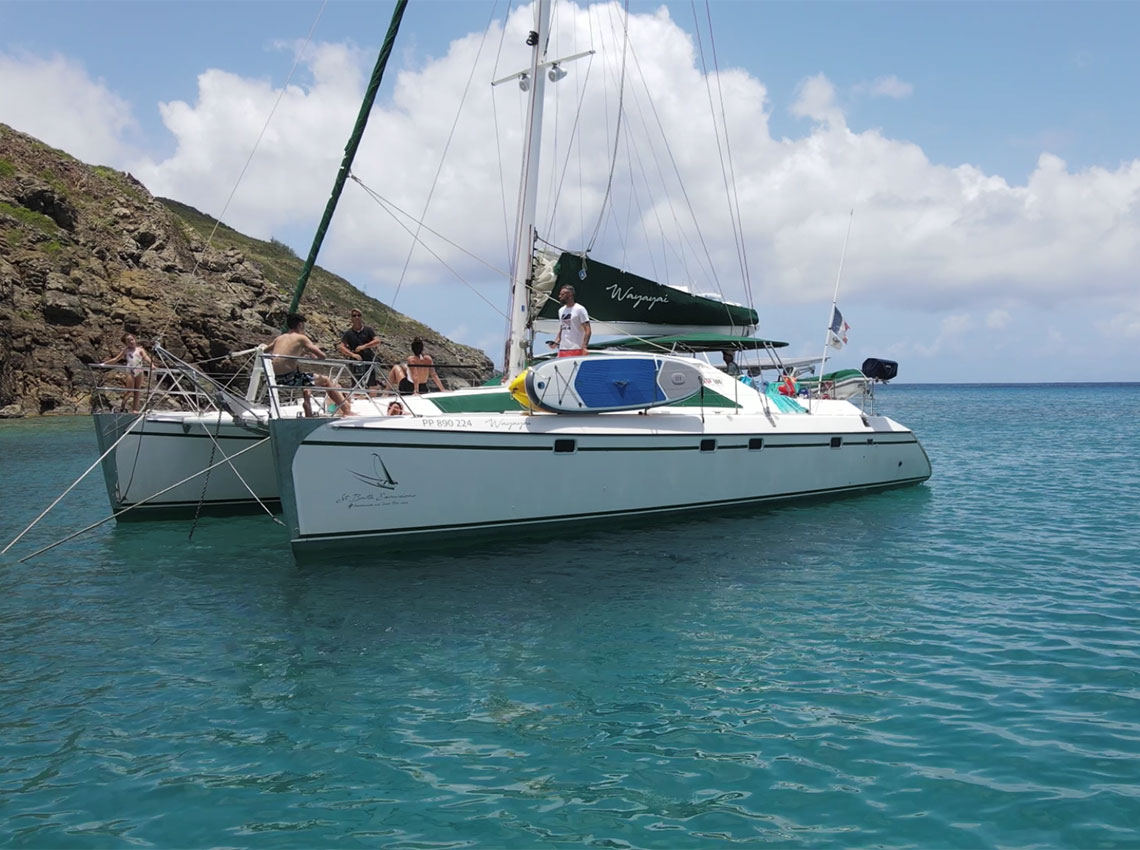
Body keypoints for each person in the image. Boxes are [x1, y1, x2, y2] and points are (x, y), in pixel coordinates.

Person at [265, 312, 352, 417]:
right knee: (326, 381)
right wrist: (311, 353)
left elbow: (264, 351)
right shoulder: (301, 338)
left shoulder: (279, 338)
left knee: (306, 379)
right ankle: (346, 410)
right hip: (290, 379)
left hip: (275, 378)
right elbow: (322, 355)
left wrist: (300, 353)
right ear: (300, 325)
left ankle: (308, 409)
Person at [102, 332, 154, 413]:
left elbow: (146, 357)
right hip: (130, 371)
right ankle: (122, 406)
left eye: (132, 340)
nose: (131, 342)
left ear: (134, 340)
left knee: (137, 390)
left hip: (139, 370)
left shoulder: (140, 349)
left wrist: (152, 364)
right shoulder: (126, 350)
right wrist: (104, 364)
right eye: (129, 341)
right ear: (126, 343)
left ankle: (135, 409)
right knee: (130, 390)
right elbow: (116, 359)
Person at [337, 307, 381, 390]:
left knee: (371, 383)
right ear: (351, 318)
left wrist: (364, 346)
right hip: (355, 361)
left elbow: (377, 341)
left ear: (361, 317)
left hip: (368, 359)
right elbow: (341, 346)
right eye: (354, 315)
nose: (356, 317)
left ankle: (371, 398)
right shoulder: (348, 333)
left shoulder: (368, 330)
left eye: (358, 315)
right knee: (356, 383)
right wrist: (352, 354)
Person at [554, 284, 590, 357]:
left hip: (576, 348)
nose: (559, 296)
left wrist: (584, 347)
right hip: (563, 349)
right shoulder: (561, 310)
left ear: (570, 295)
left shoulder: (580, 309)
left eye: (562, 294)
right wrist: (556, 342)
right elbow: (562, 328)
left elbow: (588, 330)